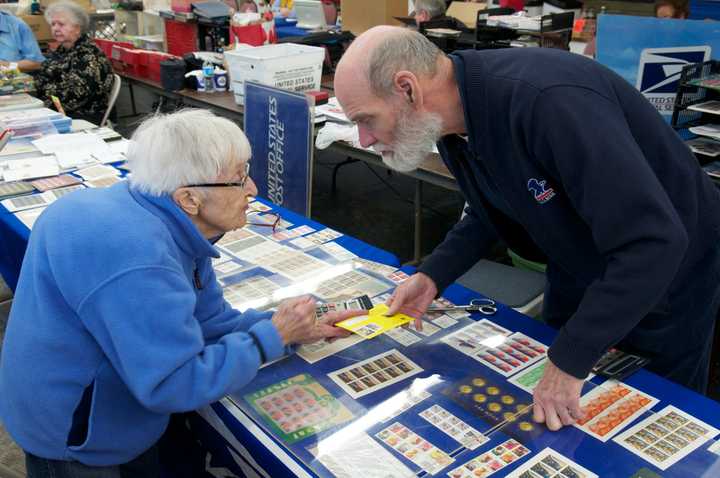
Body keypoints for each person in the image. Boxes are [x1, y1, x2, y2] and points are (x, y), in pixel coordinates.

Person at [333, 27, 720, 431]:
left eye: (366, 119)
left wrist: (572, 357)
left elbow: (653, 242)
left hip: (665, 274)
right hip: (578, 258)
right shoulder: (449, 121)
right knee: (555, 403)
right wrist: (432, 276)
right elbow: (492, 209)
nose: (363, 140)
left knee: (652, 419)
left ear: (408, 89)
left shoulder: (549, 102)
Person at [0, 109, 362, 477]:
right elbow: (173, 383)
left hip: (95, 399)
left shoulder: (167, 218)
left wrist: (289, 329)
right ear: (189, 198)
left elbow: (209, 322)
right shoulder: (138, 256)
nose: (252, 189)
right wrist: (274, 335)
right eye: (239, 179)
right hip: (77, 435)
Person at [34, 2, 113, 124]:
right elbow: (41, 79)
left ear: (77, 28)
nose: (55, 28)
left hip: (84, 116)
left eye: (61, 24)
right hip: (58, 110)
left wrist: (45, 97)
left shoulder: (89, 54)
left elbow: (75, 96)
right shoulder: (62, 49)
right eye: (53, 24)